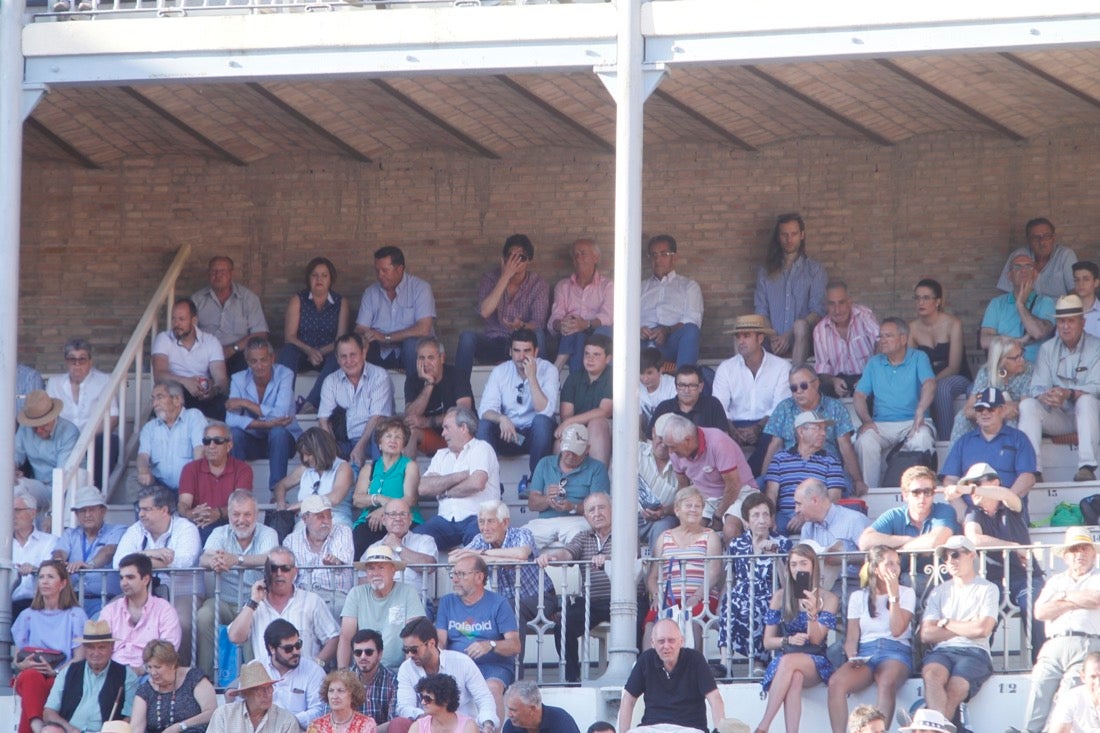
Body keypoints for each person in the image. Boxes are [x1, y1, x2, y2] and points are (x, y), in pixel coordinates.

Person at [1011, 527, 1100, 733]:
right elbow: (1041, 611)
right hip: (1053, 644)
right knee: (1039, 687)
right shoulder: (1055, 581)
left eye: (1085, 548)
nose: (1080, 554)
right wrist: (1078, 599)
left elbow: (1096, 599)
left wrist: (1064, 597)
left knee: (1069, 690)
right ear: (1066, 556)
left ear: (1093, 553)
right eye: (1075, 549)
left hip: (1086, 642)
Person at [951, 461, 1044, 659]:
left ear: (995, 482)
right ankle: (977, 663)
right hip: (992, 581)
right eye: (968, 485)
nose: (971, 489)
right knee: (983, 613)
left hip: (1025, 577)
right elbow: (974, 539)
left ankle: (1043, 663)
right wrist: (1013, 546)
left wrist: (965, 488)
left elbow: (1006, 495)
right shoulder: (973, 512)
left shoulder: (1011, 504)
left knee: (1034, 605)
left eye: (976, 483)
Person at [453, 500, 557, 666]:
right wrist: (495, 557)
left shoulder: (522, 534)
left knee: (509, 608)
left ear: (505, 522)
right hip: (505, 602)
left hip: (541, 598)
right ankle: (477, 670)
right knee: (465, 619)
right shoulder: (480, 539)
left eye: (491, 521)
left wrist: (482, 554)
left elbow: (521, 554)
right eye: (481, 521)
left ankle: (515, 674)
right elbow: (454, 558)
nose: (485, 527)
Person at [826, 546, 915, 733]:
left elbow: (897, 630)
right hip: (866, 652)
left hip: (895, 650)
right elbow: (851, 638)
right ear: (875, 569)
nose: (895, 568)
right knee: (835, 683)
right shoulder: (859, 597)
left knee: (886, 682)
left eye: (897, 564)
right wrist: (853, 657)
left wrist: (893, 597)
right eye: (889, 563)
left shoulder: (906, 593)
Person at [755, 543, 840, 733]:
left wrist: (812, 614)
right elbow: (768, 642)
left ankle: (763, 727)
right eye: (793, 565)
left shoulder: (828, 598)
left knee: (788, 663)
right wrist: (788, 640)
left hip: (815, 659)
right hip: (789, 655)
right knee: (794, 677)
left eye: (803, 564)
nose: (798, 569)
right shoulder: (780, 597)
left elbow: (816, 640)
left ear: (813, 566)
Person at [195, 489, 279, 680]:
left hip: (255, 602)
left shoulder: (268, 533)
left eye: (247, 514)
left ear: (256, 515)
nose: (241, 519)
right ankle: (205, 679)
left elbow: (268, 558)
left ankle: (255, 680)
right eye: (236, 514)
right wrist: (214, 562)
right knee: (204, 615)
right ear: (229, 515)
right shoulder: (220, 532)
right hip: (224, 601)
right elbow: (204, 558)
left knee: (253, 620)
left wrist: (237, 560)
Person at [919, 536, 998, 732]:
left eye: (955, 554)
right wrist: (965, 626)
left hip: (975, 651)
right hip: (943, 652)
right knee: (931, 675)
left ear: (971, 555)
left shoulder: (988, 588)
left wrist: (946, 623)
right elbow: (926, 634)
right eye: (946, 557)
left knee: (956, 687)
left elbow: (982, 630)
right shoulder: (939, 591)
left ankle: (927, 726)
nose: (950, 561)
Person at [113, 487, 202, 663]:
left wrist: (140, 560)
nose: (141, 514)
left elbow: (184, 562)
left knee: (181, 622)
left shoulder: (186, 528)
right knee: (113, 614)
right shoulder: (136, 529)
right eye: (140, 509)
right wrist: (153, 553)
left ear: (164, 510)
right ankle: (127, 669)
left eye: (147, 509)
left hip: (181, 594)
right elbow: (119, 562)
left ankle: (179, 670)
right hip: (143, 594)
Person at [1019, 293, 1100, 481]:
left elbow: (1096, 387)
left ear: (1083, 322)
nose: (1065, 326)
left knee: (1086, 400)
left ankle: (1086, 467)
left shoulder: (1096, 347)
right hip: (1061, 415)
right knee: (1028, 405)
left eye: (1071, 321)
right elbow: (1037, 386)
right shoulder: (1048, 348)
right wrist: (1046, 395)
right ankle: (1032, 470)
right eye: (1061, 321)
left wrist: (1069, 393)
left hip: (1092, 415)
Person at [537, 492, 614, 683]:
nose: (597, 513)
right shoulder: (583, 537)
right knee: (563, 626)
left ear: (612, 510)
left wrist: (608, 560)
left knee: (639, 627)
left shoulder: (625, 534)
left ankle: (635, 678)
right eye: (591, 510)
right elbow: (567, 553)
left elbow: (632, 555)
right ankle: (572, 680)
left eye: (601, 507)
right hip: (592, 602)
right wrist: (553, 558)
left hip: (624, 600)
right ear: (586, 516)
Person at [852, 317, 936, 489]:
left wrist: (920, 410)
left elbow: (930, 383)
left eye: (888, 336)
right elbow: (859, 395)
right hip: (882, 424)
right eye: (880, 336)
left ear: (903, 339)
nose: (882, 341)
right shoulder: (874, 363)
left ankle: (917, 490)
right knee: (864, 441)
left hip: (913, 421)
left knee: (922, 438)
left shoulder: (919, 357)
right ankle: (872, 494)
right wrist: (866, 420)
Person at [435, 554, 520, 723]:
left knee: (492, 688)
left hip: (493, 666)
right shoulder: (447, 602)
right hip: (458, 665)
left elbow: (515, 645)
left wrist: (491, 644)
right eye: (454, 574)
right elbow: (441, 641)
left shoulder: (499, 603)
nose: (455, 579)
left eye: (461, 574)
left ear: (479, 577)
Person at [762, 364, 867, 497]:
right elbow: (774, 445)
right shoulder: (784, 407)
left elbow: (845, 446)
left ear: (816, 383)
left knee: (846, 485)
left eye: (803, 386)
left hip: (827, 470)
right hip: (790, 470)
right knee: (760, 485)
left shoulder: (835, 407)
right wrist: (765, 476)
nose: (798, 391)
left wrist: (857, 480)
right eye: (794, 388)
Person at [717, 493, 792, 678]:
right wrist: (721, 600)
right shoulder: (737, 544)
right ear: (746, 521)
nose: (761, 520)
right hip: (741, 592)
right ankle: (725, 663)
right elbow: (730, 578)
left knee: (759, 604)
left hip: (771, 592)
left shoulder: (782, 542)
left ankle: (760, 661)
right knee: (729, 603)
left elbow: (787, 581)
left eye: (765, 514)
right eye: (756, 515)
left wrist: (776, 557)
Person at [227, 547, 341, 667]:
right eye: (273, 568)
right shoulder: (256, 604)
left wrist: (317, 664)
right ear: (267, 572)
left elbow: (333, 637)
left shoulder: (312, 601)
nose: (279, 573)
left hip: (303, 679)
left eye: (285, 568)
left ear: (294, 572)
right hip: (266, 680)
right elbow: (235, 637)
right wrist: (253, 602)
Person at [457, 234, 550, 378]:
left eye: (521, 257)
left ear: (529, 261)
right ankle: (461, 394)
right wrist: (505, 277)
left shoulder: (538, 284)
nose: (515, 262)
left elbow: (538, 323)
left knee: (539, 335)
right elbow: (484, 312)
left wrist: (522, 326)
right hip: (495, 343)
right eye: (511, 257)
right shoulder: (490, 278)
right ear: (504, 259)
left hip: (522, 345)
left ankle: (541, 388)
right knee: (467, 338)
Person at [12, 560, 89, 733]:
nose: (44, 581)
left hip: (62, 675)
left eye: (50, 577)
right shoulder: (27, 615)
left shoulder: (75, 615)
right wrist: (22, 665)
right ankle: (38, 727)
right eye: (41, 577)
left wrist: (56, 672)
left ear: (62, 583)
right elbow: (18, 658)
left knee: (36, 686)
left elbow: (79, 657)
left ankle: (34, 727)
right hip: (31, 674)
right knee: (31, 676)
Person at [643, 486, 723, 651]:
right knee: (651, 624)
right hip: (669, 599)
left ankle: (691, 670)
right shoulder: (664, 537)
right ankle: (649, 670)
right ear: (677, 510)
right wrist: (657, 596)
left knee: (693, 620)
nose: (693, 510)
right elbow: (652, 577)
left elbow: (714, 573)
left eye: (698, 506)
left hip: (702, 599)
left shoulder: (710, 536)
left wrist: (697, 596)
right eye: (688, 505)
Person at [713, 314, 791, 475]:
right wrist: (732, 430)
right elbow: (718, 406)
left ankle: (749, 479)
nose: (741, 341)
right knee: (718, 432)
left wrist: (758, 427)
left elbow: (780, 407)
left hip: (767, 423)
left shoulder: (781, 367)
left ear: (760, 338)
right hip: (734, 423)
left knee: (775, 433)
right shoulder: (726, 368)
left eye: (746, 336)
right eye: (738, 336)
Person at [618, 618, 726, 733]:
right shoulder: (645, 660)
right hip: (652, 728)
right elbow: (628, 699)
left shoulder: (696, 660)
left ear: (681, 641)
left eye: (671, 640)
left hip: (689, 729)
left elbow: (715, 698)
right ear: (652, 643)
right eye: (661, 641)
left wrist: (719, 730)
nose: (666, 646)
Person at [416, 406, 501, 551]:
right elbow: (423, 488)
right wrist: (460, 475)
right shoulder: (441, 455)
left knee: (477, 536)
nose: (442, 433)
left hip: (478, 517)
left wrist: (445, 491)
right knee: (416, 540)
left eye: (446, 428)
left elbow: (476, 483)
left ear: (463, 428)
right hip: (445, 521)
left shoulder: (481, 448)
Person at [395, 617, 498, 732]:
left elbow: (483, 698)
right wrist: (429, 717)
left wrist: (488, 723)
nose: (409, 655)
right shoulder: (406, 668)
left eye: (414, 650)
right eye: (406, 650)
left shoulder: (462, 662)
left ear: (431, 643)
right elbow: (404, 707)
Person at [477, 328, 558, 474]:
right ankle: (488, 481)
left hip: (537, 438)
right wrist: (501, 418)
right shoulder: (500, 371)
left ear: (536, 351)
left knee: (542, 422)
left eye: (527, 351)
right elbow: (484, 410)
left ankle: (536, 483)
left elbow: (545, 411)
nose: (521, 356)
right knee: (484, 425)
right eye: (516, 351)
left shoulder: (549, 370)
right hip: (510, 435)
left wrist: (532, 377)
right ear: (510, 352)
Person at [858, 466, 957, 585]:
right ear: (905, 495)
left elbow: (934, 541)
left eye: (927, 492)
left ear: (933, 493)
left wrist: (898, 550)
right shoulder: (894, 515)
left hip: (942, 582)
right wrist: (907, 540)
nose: (922, 497)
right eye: (916, 492)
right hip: (902, 585)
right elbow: (864, 542)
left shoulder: (944, 510)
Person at [940, 388, 1036, 509]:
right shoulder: (964, 441)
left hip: (1007, 511)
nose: (984, 413)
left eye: (990, 408)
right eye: (980, 409)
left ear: (1003, 410)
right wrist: (962, 511)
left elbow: (1028, 477)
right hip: (972, 511)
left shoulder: (1018, 439)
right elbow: (950, 480)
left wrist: (1006, 502)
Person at [226, 337, 300, 490]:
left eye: (264, 360)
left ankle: (277, 491)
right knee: (234, 434)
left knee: (278, 432)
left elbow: (282, 414)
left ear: (272, 358)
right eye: (254, 361)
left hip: (284, 442)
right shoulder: (238, 379)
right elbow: (230, 419)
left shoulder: (285, 374)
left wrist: (244, 403)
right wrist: (268, 424)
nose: (259, 366)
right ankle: (239, 491)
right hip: (254, 441)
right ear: (247, 362)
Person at [278, 256, 350, 414]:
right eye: (314, 275)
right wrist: (309, 351)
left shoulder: (340, 302)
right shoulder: (298, 299)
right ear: (308, 278)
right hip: (303, 353)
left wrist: (320, 352)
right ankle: (282, 401)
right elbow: (289, 336)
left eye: (324, 275)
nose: (319, 279)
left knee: (340, 355)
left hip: (328, 354)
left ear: (331, 279)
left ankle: (310, 404)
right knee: (287, 351)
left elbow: (341, 339)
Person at [661, 414, 756, 533]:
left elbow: (734, 486)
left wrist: (717, 516)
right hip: (706, 498)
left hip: (740, 492)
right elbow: (683, 488)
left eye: (672, 447)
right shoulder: (675, 451)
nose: (670, 452)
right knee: (690, 531)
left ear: (688, 440)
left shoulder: (718, 442)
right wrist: (665, 510)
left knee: (730, 528)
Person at [40, 620, 139, 733]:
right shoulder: (68, 671)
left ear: (111, 647)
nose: (96, 653)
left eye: (101, 647)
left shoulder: (127, 674)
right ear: (84, 648)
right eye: (91, 647)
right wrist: (70, 729)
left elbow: (130, 717)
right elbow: (49, 712)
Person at [754, 212, 827, 365]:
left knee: (800, 326)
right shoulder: (765, 271)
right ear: (778, 237)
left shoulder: (814, 270)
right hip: (771, 338)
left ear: (802, 235)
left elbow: (818, 311)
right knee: (740, 333)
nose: (789, 239)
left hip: (802, 339)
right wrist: (773, 336)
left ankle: (796, 378)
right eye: (784, 235)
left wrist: (788, 335)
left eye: (793, 234)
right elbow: (761, 310)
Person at [338, 545, 426, 671]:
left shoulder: (408, 592)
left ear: (393, 570)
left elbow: (414, 637)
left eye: (381, 567)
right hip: (363, 670)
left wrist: (407, 674)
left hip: (398, 670)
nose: (375, 573)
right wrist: (343, 673)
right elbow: (346, 637)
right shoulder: (356, 593)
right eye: (371, 568)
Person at [46, 337, 120, 483]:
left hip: (93, 436)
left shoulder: (104, 381)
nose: (77, 364)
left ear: (90, 361)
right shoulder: (55, 383)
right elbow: (49, 416)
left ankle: (96, 490)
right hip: (62, 437)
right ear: (66, 362)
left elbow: (113, 418)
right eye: (72, 360)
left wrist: (85, 436)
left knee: (109, 441)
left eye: (82, 359)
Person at [524, 424, 610, 548]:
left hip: (578, 520)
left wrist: (572, 507)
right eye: (567, 450)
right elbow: (532, 504)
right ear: (561, 444)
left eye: (576, 452)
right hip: (544, 522)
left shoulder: (597, 468)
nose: (570, 455)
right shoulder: (545, 463)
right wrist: (547, 500)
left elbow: (599, 508)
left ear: (587, 449)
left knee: (580, 536)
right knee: (523, 537)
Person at [355, 245, 436, 376]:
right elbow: (360, 328)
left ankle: (415, 392)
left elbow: (423, 328)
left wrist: (386, 337)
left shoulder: (421, 288)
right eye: (377, 271)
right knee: (357, 345)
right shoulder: (370, 292)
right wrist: (367, 335)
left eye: (385, 270)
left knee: (411, 345)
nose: (380, 275)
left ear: (400, 269)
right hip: (380, 352)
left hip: (410, 352)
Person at [764, 411, 847, 535]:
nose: (823, 433)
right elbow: (771, 493)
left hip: (816, 516)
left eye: (824, 429)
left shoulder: (831, 460)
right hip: (785, 516)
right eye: (818, 428)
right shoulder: (780, 458)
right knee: (769, 530)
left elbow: (834, 498)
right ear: (801, 432)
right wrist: (770, 518)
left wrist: (806, 515)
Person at [319, 333, 395, 467]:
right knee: (316, 441)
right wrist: (330, 451)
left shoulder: (379, 376)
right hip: (343, 442)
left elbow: (377, 417)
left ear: (363, 353)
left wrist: (360, 447)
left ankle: (380, 482)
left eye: (353, 354)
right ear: (337, 359)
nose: (349, 361)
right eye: (343, 356)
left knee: (381, 430)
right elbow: (323, 420)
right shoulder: (330, 381)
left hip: (372, 442)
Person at [909, 278, 972, 436]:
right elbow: (911, 365)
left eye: (926, 298)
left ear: (937, 301)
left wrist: (930, 382)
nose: (920, 302)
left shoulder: (953, 323)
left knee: (942, 388)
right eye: (917, 298)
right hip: (926, 380)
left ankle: (946, 441)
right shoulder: (912, 328)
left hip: (957, 377)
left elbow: (954, 367)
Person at [351, 418, 422, 558]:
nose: (393, 440)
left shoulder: (409, 466)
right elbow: (357, 499)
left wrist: (384, 511)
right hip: (371, 521)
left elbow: (410, 499)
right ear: (380, 442)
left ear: (403, 444)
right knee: (359, 541)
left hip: (403, 520)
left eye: (398, 437)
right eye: (388, 436)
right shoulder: (369, 468)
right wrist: (379, 499)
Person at [100, 554, 181, 675]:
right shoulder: (110, 610)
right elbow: (99, 647)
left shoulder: (164, 610)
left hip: (150, 675)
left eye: (130, 577)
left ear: (146, 579)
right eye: (121, 578)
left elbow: (169, 650)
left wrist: (143, 669)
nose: (124, 583)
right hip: (112, 674)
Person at [53, 485, 125, 617]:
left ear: (103, 511)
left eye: (92, 510)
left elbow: (108, 551)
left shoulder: (117, 530)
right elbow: (59, 552)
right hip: (72, 599)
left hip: (105, 601)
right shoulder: (70, 533)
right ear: (76, 514)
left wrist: (90, 565)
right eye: (82, 511)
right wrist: (59, 563)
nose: (87, 515)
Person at [948, 336, 1033, 447]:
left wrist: (1003, 411)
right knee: (961, 418)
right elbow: (969, 408)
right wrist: (989, 413)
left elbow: (1025, 403)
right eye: (1015, 358)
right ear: (1001, 361)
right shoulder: (985, 373)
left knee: (1010, 418)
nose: (1021, 360)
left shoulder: (1028, 369)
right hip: (989, 414)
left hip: (1015, 416)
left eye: (1021, 354)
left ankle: (1008, 460)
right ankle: (954, 460)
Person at [177, 421, 254, 543]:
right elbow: (183, 504)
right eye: (207, 441)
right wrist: (191, 513)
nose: (211, 446)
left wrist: (217, 513)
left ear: (229, 446)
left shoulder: (242, 469)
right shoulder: (190, 469)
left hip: (230, 525)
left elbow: (240, 505)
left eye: (217, 441)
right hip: (198, 525)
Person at [192, 255, 270, 374]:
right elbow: (188, 331)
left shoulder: (248, 298)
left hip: (238, 353)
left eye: (222, 271)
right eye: (214, 271)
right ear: (208, 274)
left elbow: (260, 333)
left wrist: (232, 349)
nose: (218, 275)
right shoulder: (197, 300)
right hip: (206, 353)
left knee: (244, 369)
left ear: (231, 273)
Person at [152, 298, 229, 419]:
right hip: (177, 390)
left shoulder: (211, 341)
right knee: (173, 392)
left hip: (202, 392)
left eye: (181, 319)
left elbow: (221, 380)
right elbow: (159, 375)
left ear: (194, 320)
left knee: (223, 403)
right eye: (174, 318)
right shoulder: (164, 338)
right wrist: (185, 381)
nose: (176, 324)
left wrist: (212, 390)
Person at [548, 238, 614, 373]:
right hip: (570, 333)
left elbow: (608, 317)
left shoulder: (608, 286)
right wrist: (562, 324)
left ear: (596, 258)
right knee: (577, 334)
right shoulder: (563, 286)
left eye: (583, 253)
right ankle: (575, 380)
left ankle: (558, 367)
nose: (578, 258)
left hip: (596, 331)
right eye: (575, 255)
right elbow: (555, 317)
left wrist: (586, 324)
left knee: (597, 332)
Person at [794, 478, 869, 594]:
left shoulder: (854, 520)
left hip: (851, 584)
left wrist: (844, 559)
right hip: (816, 586)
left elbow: (875, 556)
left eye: (799, 504)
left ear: (814, 500)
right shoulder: (807, 528)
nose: (796, 510)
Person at [403, 338, 475, 458]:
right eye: (421, 358)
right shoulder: (413, 380)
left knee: (461, 424)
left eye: (431, 358)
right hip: (434, 438)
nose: (425, 363)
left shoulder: (457, 375)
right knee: (410, 431)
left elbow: (463, 412)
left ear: (442, 358)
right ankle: (407, 475)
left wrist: (427, 422)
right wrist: (429, 384)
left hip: (460, 437)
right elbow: (410, 416)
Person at [640, 234, 703, 369]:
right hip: (641, 343)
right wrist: (637, 330)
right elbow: (625, 318)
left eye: (664, 254)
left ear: (674, 257)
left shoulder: (688, 286)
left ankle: (684, 383)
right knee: (614, 331)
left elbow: (693, 319)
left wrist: (666, 330)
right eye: (654, 255)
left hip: (669, 341)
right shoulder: (639, 287)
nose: (658, 259)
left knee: (691, 331)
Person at [285, 494, 355, 617]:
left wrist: (335, 561)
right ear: (305, 518)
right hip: (302, 598)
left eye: (329, 516)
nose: (326, 521)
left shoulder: (343, 531)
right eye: (320, 516)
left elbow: (340, 559)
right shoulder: (291, 540)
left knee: (343, 609)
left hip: (335, 596)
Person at [981, 253, 1056, 363]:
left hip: (1036, 371)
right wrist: (1019, 341)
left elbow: (1038, 332)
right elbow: (985, 341)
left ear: (1035, 274)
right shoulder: (997, 304)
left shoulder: (1046, 302)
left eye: (1028, 266)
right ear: (1009, 276)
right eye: (1017, 267)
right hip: (1005, 369)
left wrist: (1020, 304)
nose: (1023, 270)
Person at [274, 427, 356, 527]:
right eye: (302, 454)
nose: (305, 459)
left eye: (308, 454)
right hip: (305, 524)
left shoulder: (343, 467)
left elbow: (335, 498)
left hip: (335, 520)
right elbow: (281, 485)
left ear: (321, 451)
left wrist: (301, 504)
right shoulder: (304, 469)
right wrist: (281, 504)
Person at [130, 639, 217, 733]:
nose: (153, 672)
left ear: (172, 664)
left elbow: (212, 712)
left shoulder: (194, 678)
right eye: (149, 667)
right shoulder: (145, 690)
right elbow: (136, 728)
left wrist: (180, 726)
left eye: (157, 667)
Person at [136, 381, 206, 492]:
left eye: (160, 397)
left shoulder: (193, 416)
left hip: (188, 484)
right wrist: (143, 470)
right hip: (159, 486)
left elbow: (200, 450)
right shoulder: (149, 427)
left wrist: (193, 481)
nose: (155, 404)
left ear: (177, 400)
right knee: (132, 481)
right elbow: (143, 455)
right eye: (153, 399)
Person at [813, 280, 879, 399]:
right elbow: (822, 371)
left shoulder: (864, 316)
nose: (837, 310)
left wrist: (868, 378)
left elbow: (881, 344)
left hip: (867, 375)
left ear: (849, 302)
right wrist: (833, 381)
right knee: (821, 390)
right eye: (832, 304)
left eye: (841, 303)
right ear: (826, 305)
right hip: (839, 379)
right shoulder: (820, 330)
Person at [556, 333, 612, 465]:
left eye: (596, 355)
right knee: (561, 441)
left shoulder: (613, 376)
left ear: (608, 358)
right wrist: (569, 424)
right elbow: (566, 415)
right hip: (578, 428)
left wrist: (570, 422)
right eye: (587, 354)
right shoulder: (574, 378)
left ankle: (598, 481)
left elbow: (604, 412)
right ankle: (563, 484)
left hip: (608, 429)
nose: (590, 359)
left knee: (596, 424)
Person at [263, 619, 326, 730]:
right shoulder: (256, 668)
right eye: (288, 649)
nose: (296, 652)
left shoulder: (314, 671)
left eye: (298, 645)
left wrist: (286, 722)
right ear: (272, 648)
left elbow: (319, 711)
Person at [368, 498, 438, 595]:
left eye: (403, 514)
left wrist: (398, 547)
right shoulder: (373, 548)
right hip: (382, 603)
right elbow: (362, 582)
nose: (398, 518)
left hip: (415, 603)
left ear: (410, 519)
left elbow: (429, 567)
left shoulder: (424, 541)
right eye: (393, 514)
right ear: (383, 520)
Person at [995, 217, 1077, 300]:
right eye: (1035, 238)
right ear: (1028, 240)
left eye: (1047, 236)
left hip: (1058, 310)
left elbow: (1075, 291)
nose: (1042, 242)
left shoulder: (1065, 255)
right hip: (1025, 309)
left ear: (1053, 238)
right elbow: (1006, 291)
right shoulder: (1019, 256)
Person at [208, 661, 299, 733]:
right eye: (259, 690)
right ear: (245, 693)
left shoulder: (286, 720)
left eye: (269, 688)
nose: (267, 694)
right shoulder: (224, 715)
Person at [647, 364, 731, 439]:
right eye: (682, 385)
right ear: (676, 386)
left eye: (692, 385)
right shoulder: (664, 407)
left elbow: (723, 439)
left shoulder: (712, 405)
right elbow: (651, 441)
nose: (686, 390)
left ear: (701, 387)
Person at [12, 489, 60, 618]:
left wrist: (35, 569)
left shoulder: (49, 541)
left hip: (39, 604)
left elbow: (51, 569)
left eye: (17, 510)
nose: (12, 515)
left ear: (32, 513)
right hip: (6, 604)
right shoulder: (3, 544)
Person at [637, 417, 680, 553]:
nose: (663, 444)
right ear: (653, 433)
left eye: (669, 440)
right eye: (660, 437)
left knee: (664, 528)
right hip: (631, 516)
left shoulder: (683, 463)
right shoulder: (635, 451)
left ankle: (656, 573)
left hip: (663, 518)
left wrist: (664, 511)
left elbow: (685, 501)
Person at [15, 390, 79, 482]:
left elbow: (63, 476)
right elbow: (14, 454)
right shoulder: (25, 427)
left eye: (44, 425)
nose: (39, 430)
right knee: (12, 485)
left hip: (65, 488)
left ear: (53, 417)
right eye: (34, 426)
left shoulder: (69, 432)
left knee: (17, 487)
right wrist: (12, 470)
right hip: (38, 485)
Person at [347, 629, 404, 733]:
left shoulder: (393, 681)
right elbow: (330, 720)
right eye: (358, 652)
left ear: (380, 654)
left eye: (369, 652)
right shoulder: (342, 681)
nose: (363, 657)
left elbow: (394, 723)